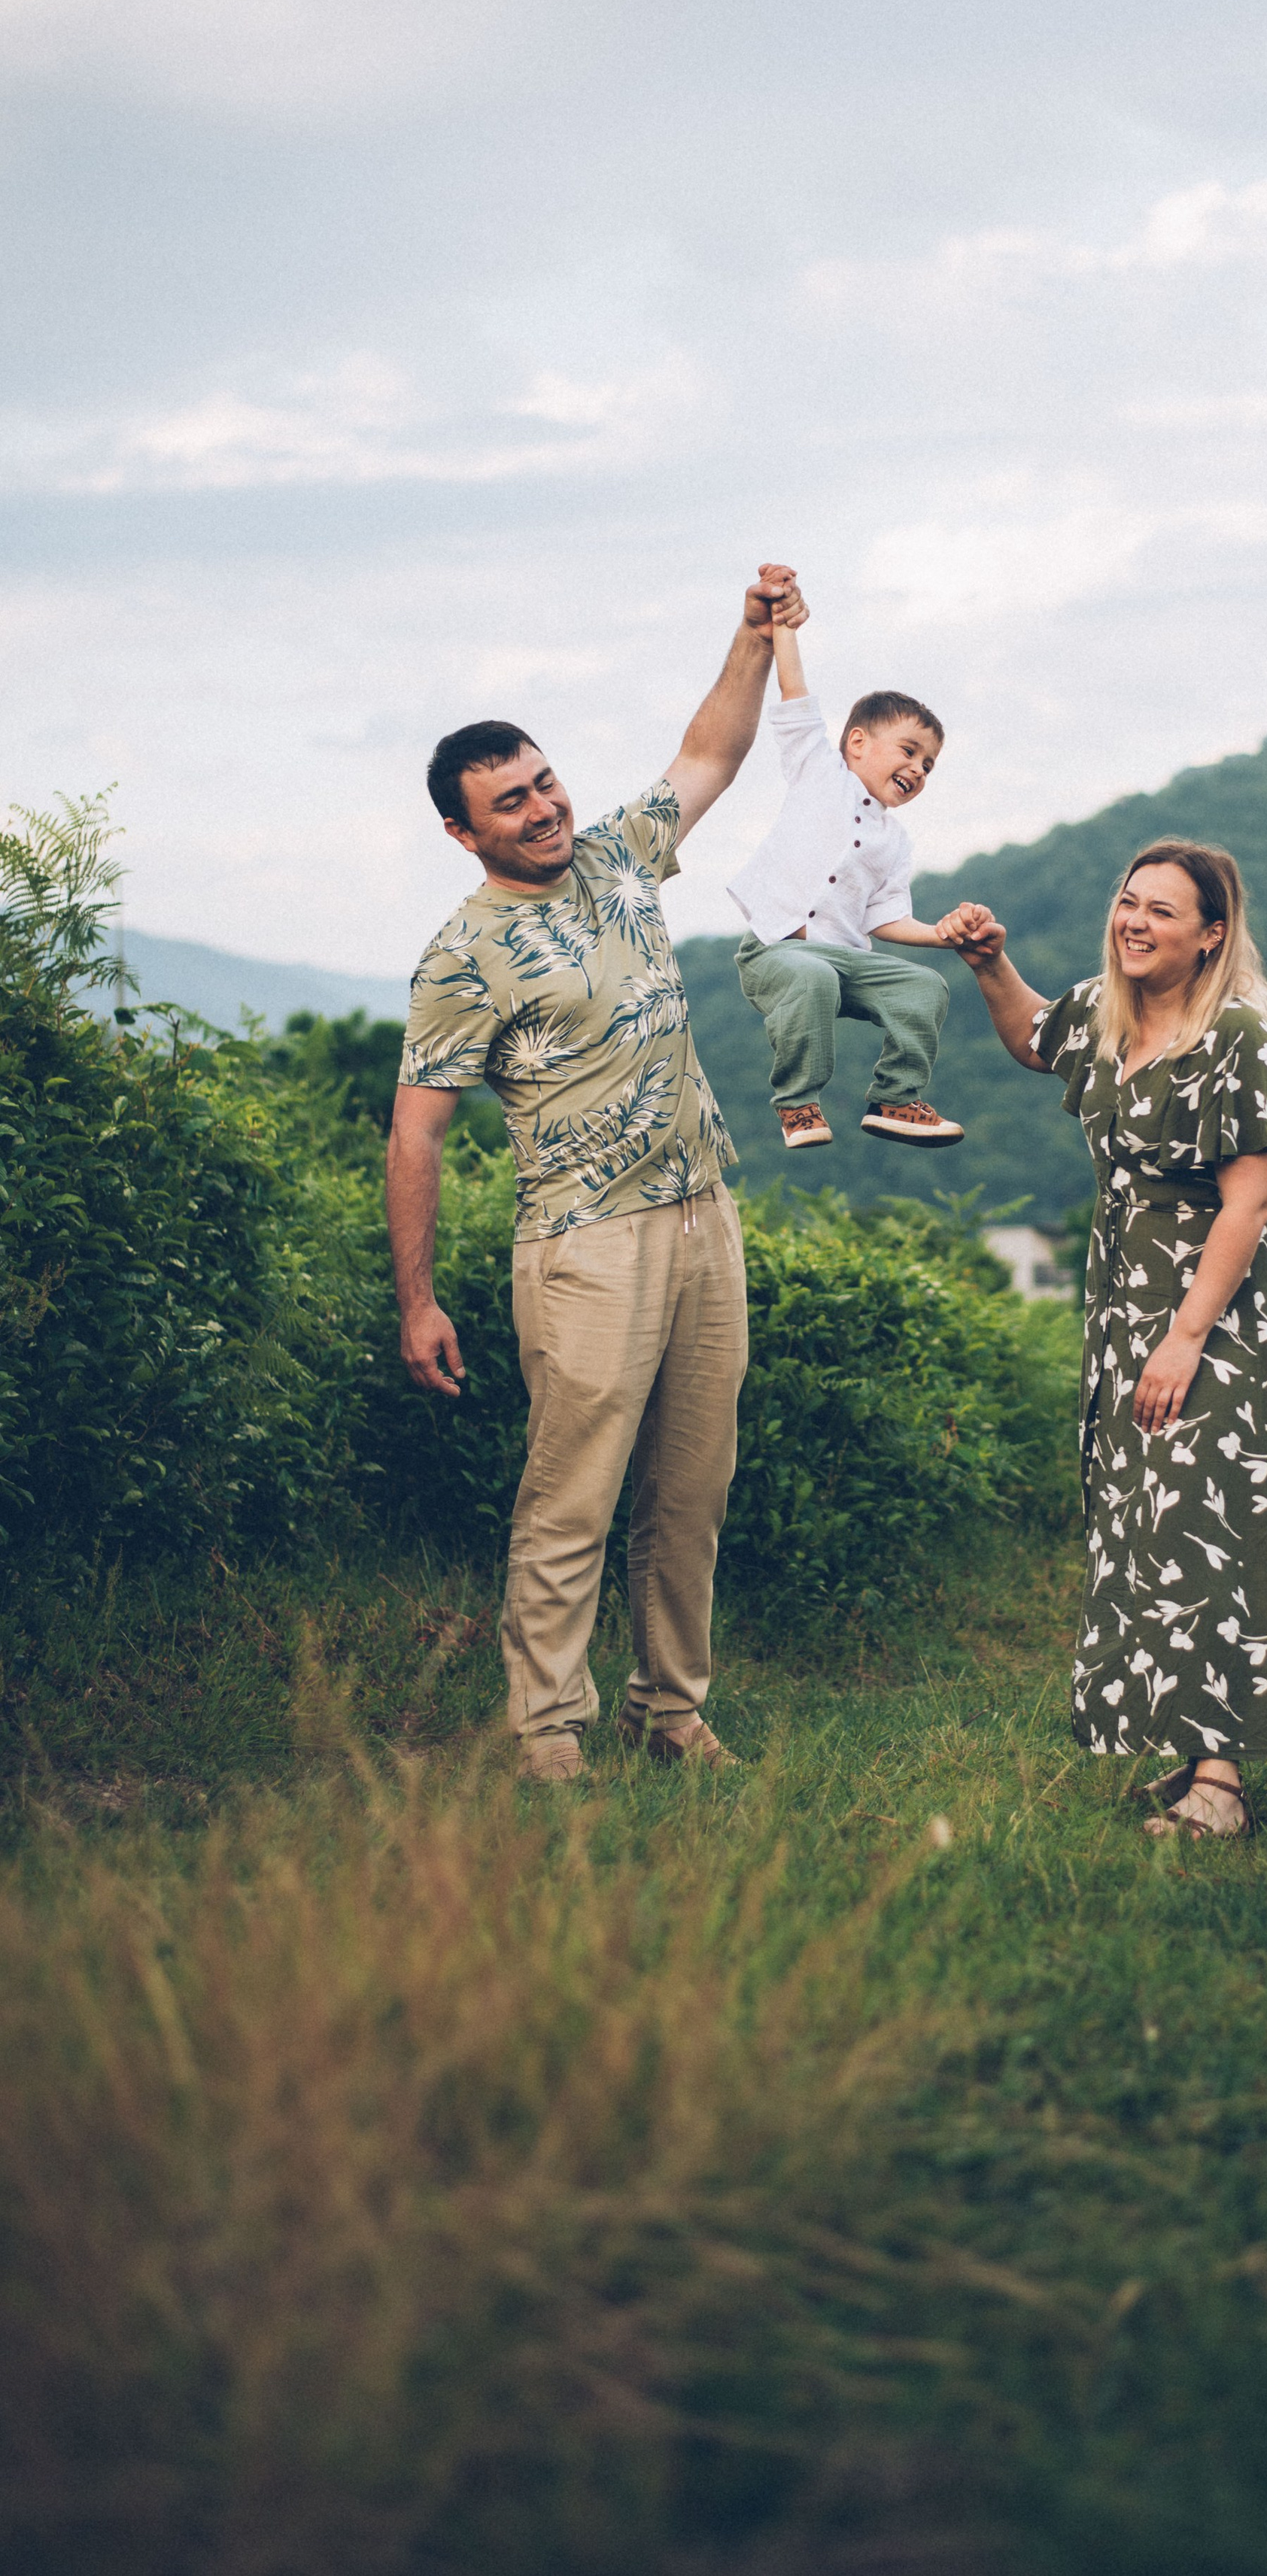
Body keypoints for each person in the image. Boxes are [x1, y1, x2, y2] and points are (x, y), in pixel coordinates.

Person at [384, 565, 807, 1783]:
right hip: (583, 1245)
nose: (542, 808)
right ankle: (546, 1732)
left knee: (692, 1490)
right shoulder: (463, 958)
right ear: (464, 831)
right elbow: (417, 1134)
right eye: (510, 803)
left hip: (700, 1218)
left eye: (544, 780)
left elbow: (708, 755)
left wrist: (749, 635)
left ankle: (670, 1712)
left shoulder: (620, 854)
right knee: (571, 1501)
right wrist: (418, 1300)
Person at [935, 841, 1267, 1839]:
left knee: (1217, 1518)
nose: (1136, 921)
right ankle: (1189, 1742)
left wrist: (1184, 1338)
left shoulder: (1239, 1040)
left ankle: (1222, 1780)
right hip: (1126, 1306)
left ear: (1211, 934)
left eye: (1162, 910)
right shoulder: (1107, 1015)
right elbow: (1037, 1038)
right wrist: (991, 963)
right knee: (1150, 1522)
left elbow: (1249, 1202)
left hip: (1217, 1315)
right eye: (1128, 901)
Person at [727, 604, 964, 1152]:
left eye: (928, 764)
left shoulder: (894, 840)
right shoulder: (817, 770)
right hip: (775, 950)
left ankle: (896, 1099)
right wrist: (783, 625)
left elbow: (886, 919)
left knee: (925, 988)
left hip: (847, 959)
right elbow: (795, 692)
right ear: (858, 743)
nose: (918, 769)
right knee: (814, 980)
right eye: (909, 750)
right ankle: (797, 1103)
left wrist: (940, 935)